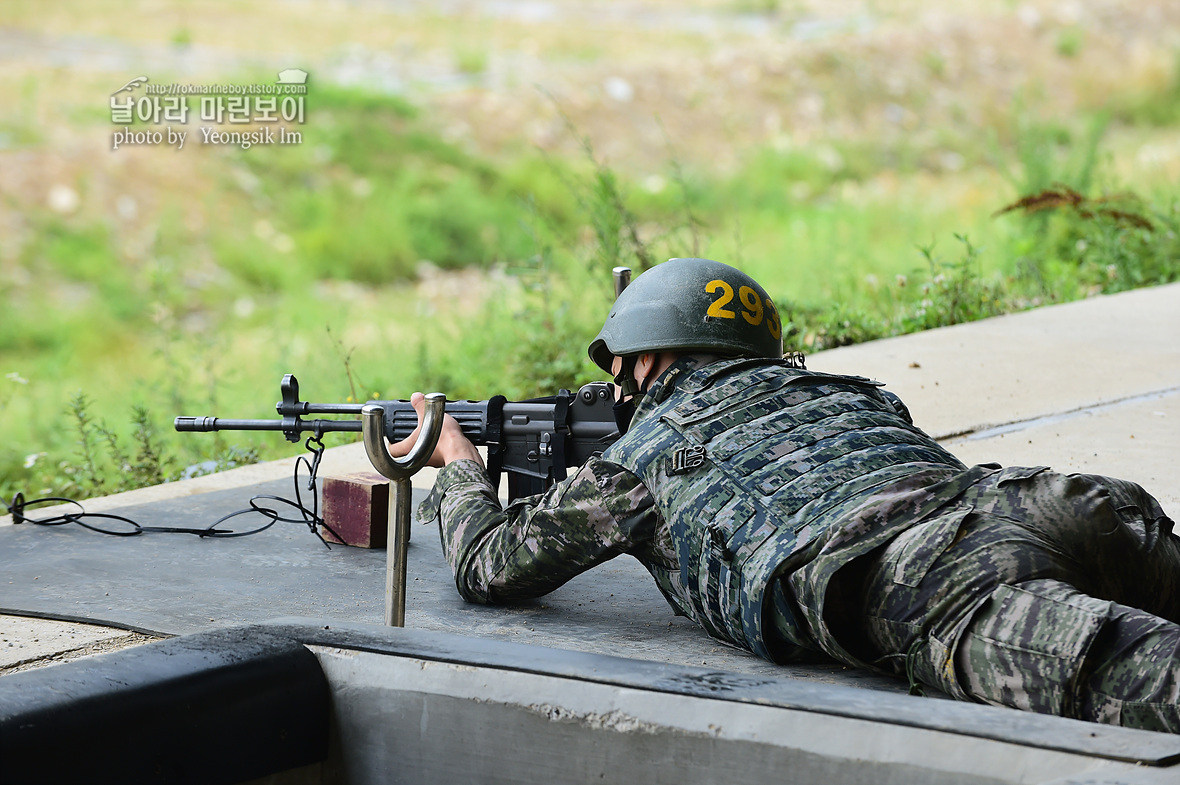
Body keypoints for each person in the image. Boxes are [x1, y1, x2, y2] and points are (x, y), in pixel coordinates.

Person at [390, 257, 1180, 733]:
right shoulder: (844, 389)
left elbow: (490, 565)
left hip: (932, 581)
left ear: (649, 351)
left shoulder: (642, 458)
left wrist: (456, 459)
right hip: (1053, 502)